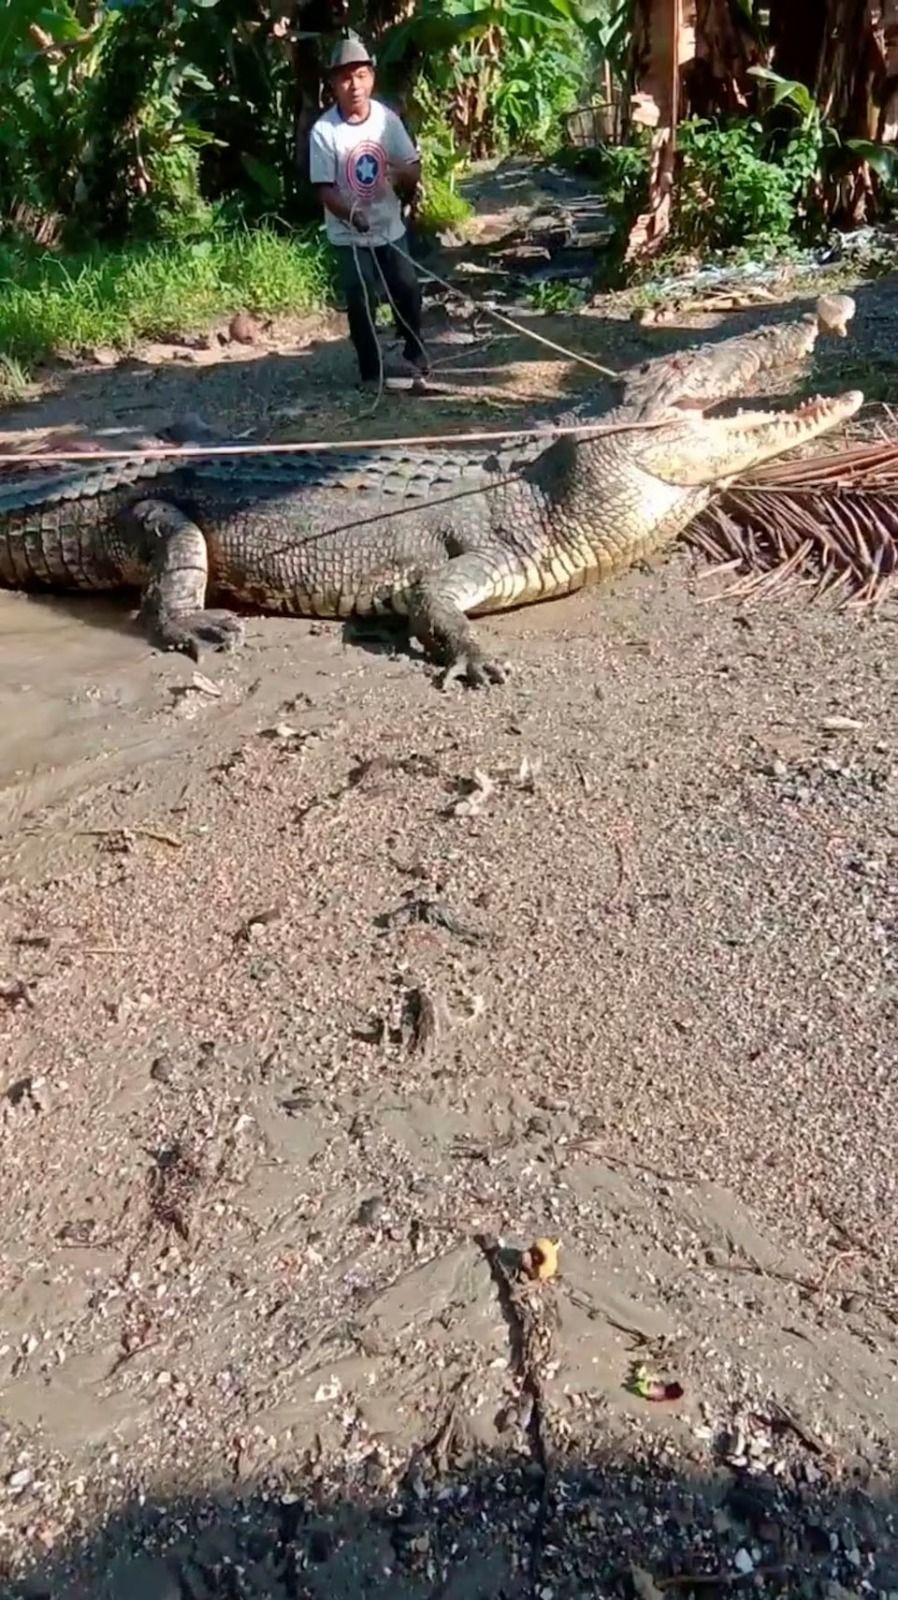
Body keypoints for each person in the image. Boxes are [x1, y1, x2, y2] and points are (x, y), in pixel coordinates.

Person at [309, 37, 430, 390]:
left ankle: (415, 353)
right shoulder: (324, 132)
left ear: (371, 78)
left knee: (406, 287)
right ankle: (370, 371)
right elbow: (325, 189)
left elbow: (413, 167)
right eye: (345, 78)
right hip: (349, 233)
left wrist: (403, 174)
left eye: (361, 76)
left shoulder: (386, 121)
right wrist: (351, 215)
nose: (354, 86)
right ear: (332, 84)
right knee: (361, 296)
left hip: (389, 226)